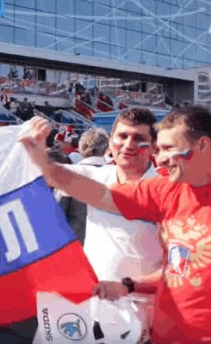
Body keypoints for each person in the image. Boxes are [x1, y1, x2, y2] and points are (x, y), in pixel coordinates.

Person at [20, 106, 211, 342]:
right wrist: (45, 166)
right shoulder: (166, 189)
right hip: (158, 333)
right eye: (160, 149)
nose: (161, 158)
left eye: (168, 148)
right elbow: (100, 195)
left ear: (203, 145)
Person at [61, 110, 163, 341]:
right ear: (110, 142)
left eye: (139, 138)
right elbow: (46, 173)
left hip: (142, 319)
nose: (128, 145)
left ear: (154, 146)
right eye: (122, 136)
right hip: (91, 309)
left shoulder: (167, 191)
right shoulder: (95, 177)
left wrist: (129, 287)